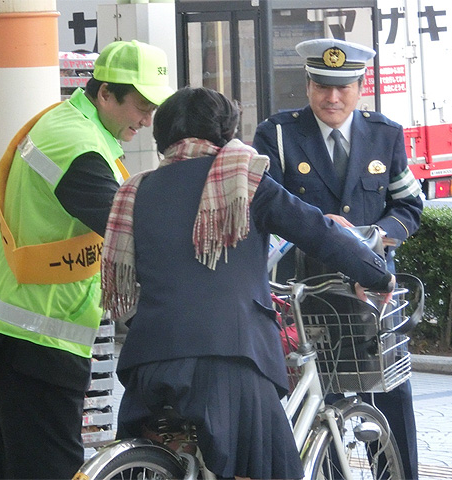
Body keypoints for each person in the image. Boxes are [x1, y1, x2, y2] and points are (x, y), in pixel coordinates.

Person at [103, 87, 396, 480]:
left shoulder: (136, 192)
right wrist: (378, 274)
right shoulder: (244, 180)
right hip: (229, 360)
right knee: (264, 468)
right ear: (226, 133)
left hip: (147, 362)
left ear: (162, 136)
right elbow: (318, 231)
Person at [0, 40, 173, 479]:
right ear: (106, 93)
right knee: (51, 469)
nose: (147, 120)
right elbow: (130, 233)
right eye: (141, 106)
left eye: (153, 109)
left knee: (5, 466)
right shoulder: (78, 148)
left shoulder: (72, 123)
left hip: (14, 324)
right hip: (37, 337)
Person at [252, 38, 423, 479]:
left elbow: (409, 205)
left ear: (360, 88)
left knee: (391, 397)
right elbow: (264, 210)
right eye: (322, 86)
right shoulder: (279, 135)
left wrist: (376, 236)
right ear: (308, 85)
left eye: (343, 87)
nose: (332, 97)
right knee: (319, 404)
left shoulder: (385, 134)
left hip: (373, 295)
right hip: (306, 296)